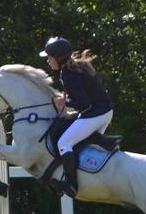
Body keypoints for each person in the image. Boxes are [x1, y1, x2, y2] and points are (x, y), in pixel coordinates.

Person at [40, 37, 114, 197]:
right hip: (104, 111)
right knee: (76, 138)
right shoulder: (76, 67)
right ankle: (103, 141)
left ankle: (71, 184)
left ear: (58, 58)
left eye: (49, 57)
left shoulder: (69, 74)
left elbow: (83, 103)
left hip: (96, 113)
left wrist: (64, 102)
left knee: (64, 142)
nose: (48, 61)